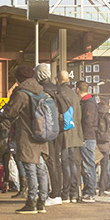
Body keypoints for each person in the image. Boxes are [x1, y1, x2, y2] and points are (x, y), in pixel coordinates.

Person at [0, 66, 50, 214]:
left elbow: (11, 112)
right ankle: (42, 202)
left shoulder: (21, 94)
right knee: (41, 169)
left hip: (27, 136)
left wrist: (4, 112)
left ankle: (31, 202)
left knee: (30, 169)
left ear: (18, 79)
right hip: (42, 135)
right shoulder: (41, 91)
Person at [35, 64, 65, 207]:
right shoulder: (57, 88)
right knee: (56, 161)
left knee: (50, 161)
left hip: (48, 128)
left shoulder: (41, 90)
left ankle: (54, 194)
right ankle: (58, 192)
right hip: (60, 128)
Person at [57, 70, 83, 203]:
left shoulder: (60, 93)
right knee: (74, 164)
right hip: (76, 134)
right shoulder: (74, 94)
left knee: (65, 163)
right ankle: (74, 193)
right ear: (68, 80)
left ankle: (65, 193)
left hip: (65, 133)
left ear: (57, 79)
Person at [77, 81, 98, 203]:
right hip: (88, 137)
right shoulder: (89, 102)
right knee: (87, 164)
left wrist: (83, 137)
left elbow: (88, 122)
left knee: (88, 165)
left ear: (78, 89)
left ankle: (90, 192)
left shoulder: (88, 104)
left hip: (87, 138)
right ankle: (88, 191)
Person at [96, 99, 110, 195]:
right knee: (104, 168)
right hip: (106, 145)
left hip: (95, 144)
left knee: (92, 166)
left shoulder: (95, 115)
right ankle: (102, 189)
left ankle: (91, 187)